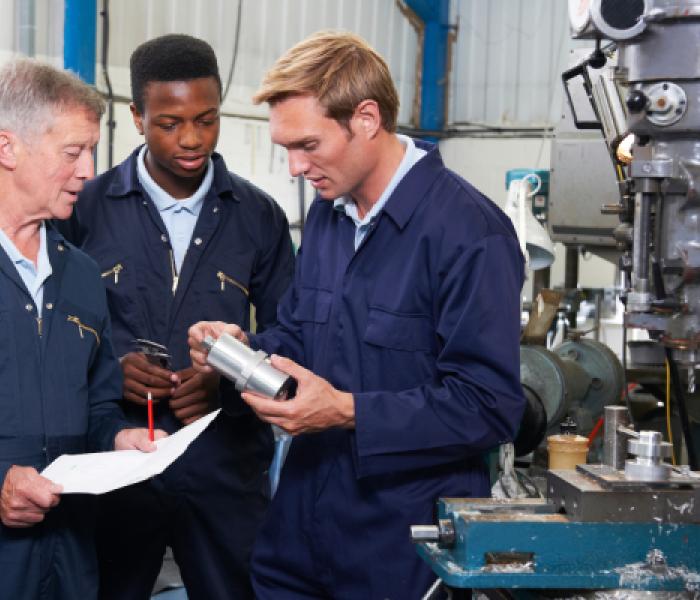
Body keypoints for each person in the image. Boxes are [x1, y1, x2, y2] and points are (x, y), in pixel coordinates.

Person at [188, 30, 526, 599]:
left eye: (308, 145)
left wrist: (348, 413)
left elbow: (489, 407)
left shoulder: (470, 233)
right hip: (298, 535)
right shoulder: (328, 214)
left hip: (401, 547)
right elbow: (300, 333)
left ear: (366, 118)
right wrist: (240, 350)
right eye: (285, 149)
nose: (295, 168)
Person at [58, 34, 295, 600]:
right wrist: (111, 372)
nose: (192, 139)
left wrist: (229, 382)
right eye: (169, 123)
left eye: (206, 119)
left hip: (225, 469)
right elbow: (51, 332)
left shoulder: (258, 217)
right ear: (137, 116)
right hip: (118, 467)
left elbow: (292, 339)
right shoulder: (84, 209)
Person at [0, 58, 161, 600]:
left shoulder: (83, 275)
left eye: (91, 150)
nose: (89, 171)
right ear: (7, 148)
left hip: (69, 560)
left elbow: (95, 406)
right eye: (73, 152)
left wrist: (119, 438)